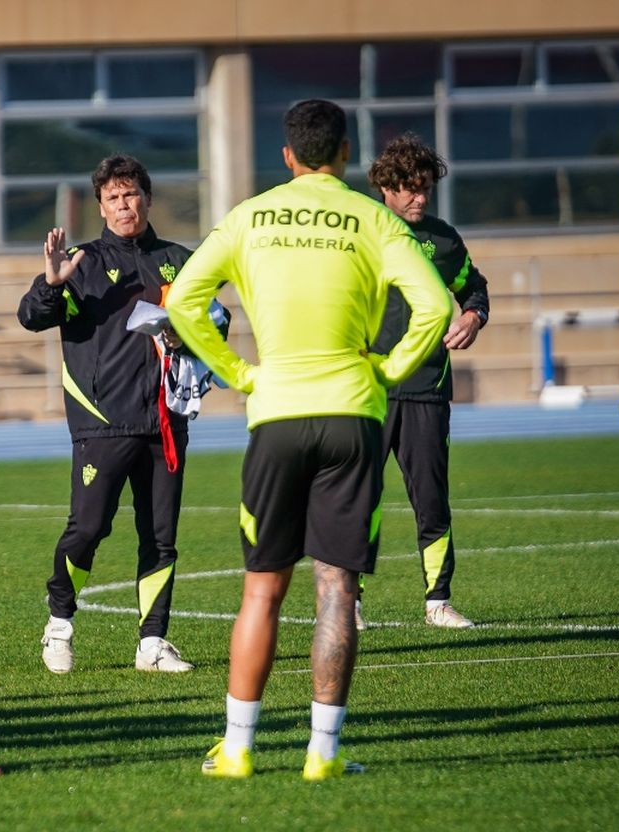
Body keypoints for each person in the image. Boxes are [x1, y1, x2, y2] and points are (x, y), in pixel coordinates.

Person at [164, 100, 451, 780]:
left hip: (277, 412)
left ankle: (236, 749)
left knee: (262, 590)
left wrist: (235, 371)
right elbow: (437, 306)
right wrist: (387, 369)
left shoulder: (250, 215)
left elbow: (180, 300)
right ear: (346, 154)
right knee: (336, 587)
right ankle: (322, 754)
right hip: (353, 411)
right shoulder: (374, 217)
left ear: (288, 156)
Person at [18, 154, 218, 675]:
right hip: (102, 423)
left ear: (147, 200)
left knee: (161, 537)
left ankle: (152, 643)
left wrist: (189, 334)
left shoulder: (182, 260)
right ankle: (59, 625)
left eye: (131, 195)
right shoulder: (79, 263)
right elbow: (31, 317)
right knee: (87, 529)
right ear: (102, 207)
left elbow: (212, 325)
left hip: (165, 422)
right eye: (113, 198)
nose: (123, 204)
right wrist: (52, 283)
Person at [364, 133, 490, 630]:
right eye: (409, 189)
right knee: (358, 497)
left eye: (424, 189)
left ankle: (438, 601)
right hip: (365, 388)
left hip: (426, 387)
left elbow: (474, 287)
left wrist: (474, 317)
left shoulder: (441, 239)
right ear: (386, 187)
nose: (418, 198)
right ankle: (348, 602)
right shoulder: (361, 234)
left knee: (431, 496)